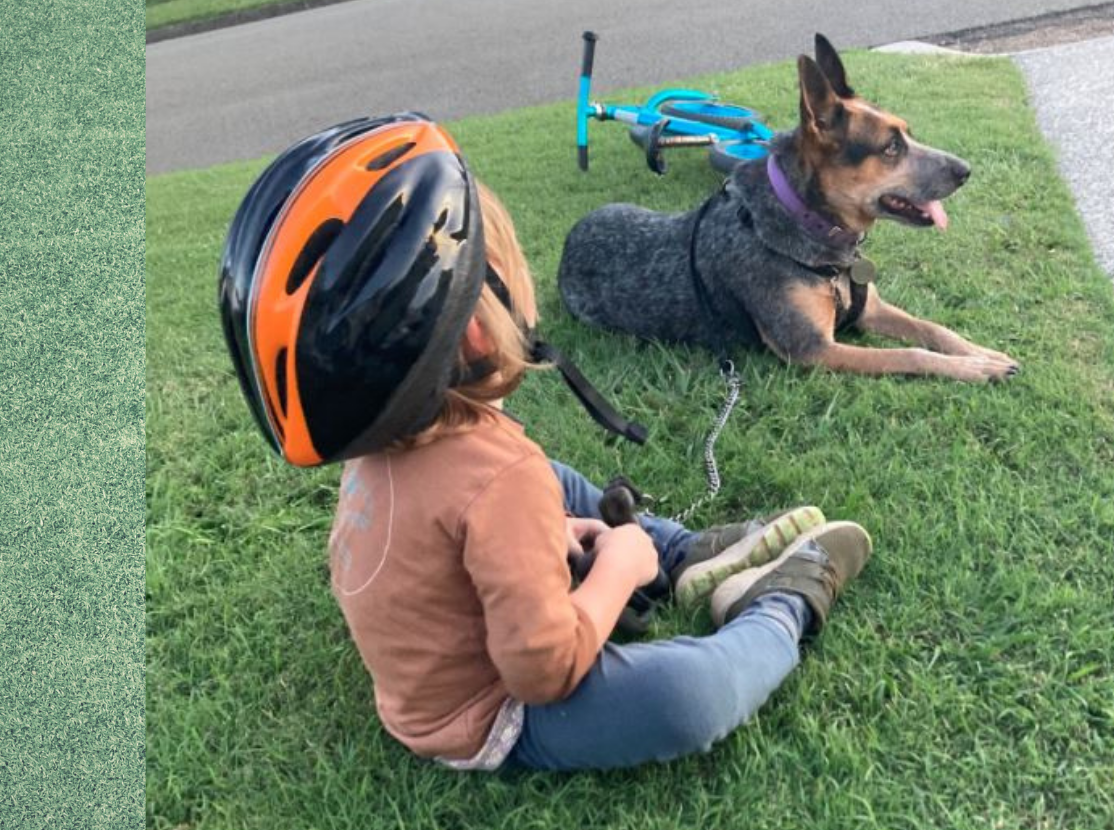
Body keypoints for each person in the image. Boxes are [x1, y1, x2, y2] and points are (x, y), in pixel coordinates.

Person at [217, 113, 873, 771]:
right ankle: (783, 604)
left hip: (443, 665)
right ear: (476, 329)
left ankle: (681, 554)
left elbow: (440, 545)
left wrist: (553, 537)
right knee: (686, 697)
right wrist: (617, 567)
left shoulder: (383, 452)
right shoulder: (499, 481)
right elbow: (544, 671)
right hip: (493, 715)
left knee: (552, 483)